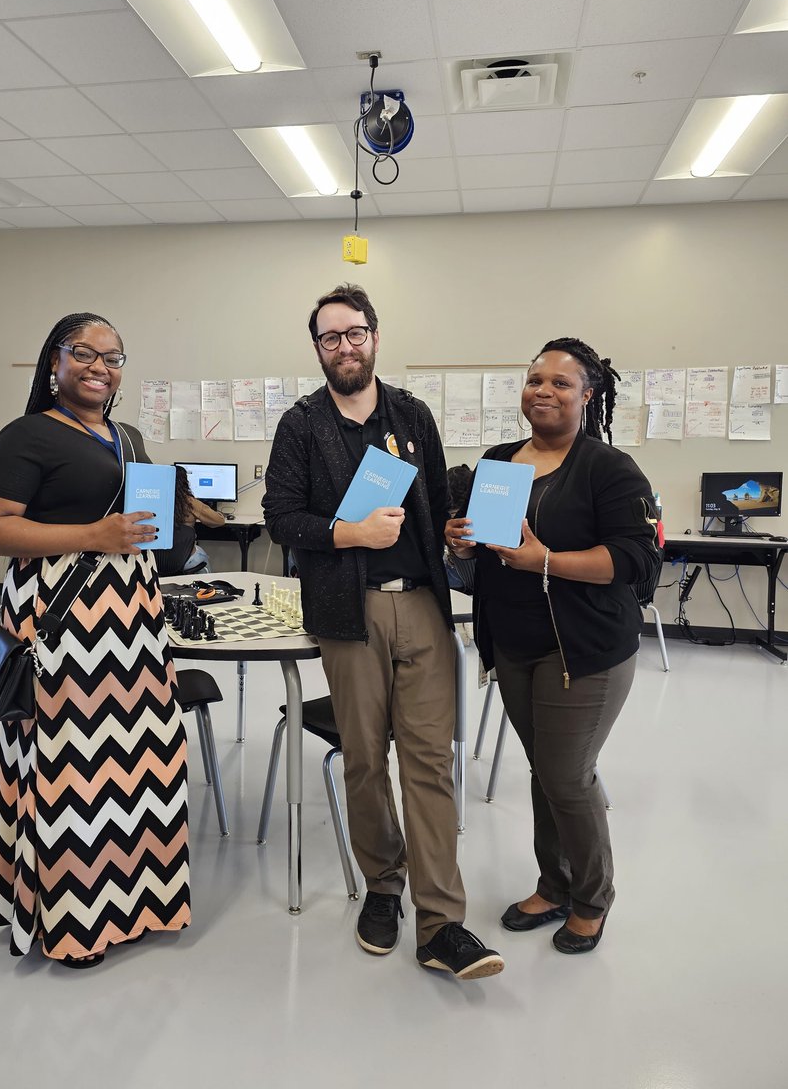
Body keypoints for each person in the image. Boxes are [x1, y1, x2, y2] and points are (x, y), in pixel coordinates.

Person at [264, 284, 503, 980]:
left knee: (429, 762)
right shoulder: (302, 425)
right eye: (331, 337)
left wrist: (458, 539)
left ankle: (442, 924)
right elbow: (282, 517)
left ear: (374, 336)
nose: (345, 346)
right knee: (365, 759)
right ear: (318, 348)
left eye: (355, 333)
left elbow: (436, 504)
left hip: (423, 606)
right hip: (349, 612)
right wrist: (350, 532)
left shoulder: (411, 414)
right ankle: (383, 885)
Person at [0, 312, 191, 968]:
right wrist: (93, 536)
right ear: (55, 362)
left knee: (143, 762)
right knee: (70, 770)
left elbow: (136, 519)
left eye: (113, 357)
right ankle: (75, 923)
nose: (100, 367)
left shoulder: (127, 435)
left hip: (135, 618)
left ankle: (141, 903)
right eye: (85, 353)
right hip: (64, 619)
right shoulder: (28, 434)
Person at [445, 337, 659, 954]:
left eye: (561, 383)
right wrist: (462, 540)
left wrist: (547, 560)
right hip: (514, 645)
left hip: (584, 650)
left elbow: (636, 561)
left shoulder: (608, 469)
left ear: (587, 395)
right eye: (535, 379)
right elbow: (487, 544)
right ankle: (555, 884)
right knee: (547, 771)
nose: (543, 391)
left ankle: (592, 899)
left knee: (567, 775)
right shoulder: (499, 461)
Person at [157, 465, 226, 577]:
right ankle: (206, 586)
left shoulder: (155, 500)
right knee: (203, 557)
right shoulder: (190, 502)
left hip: (158, 561)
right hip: (185, 559)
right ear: (185, 482)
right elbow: (219, 521)